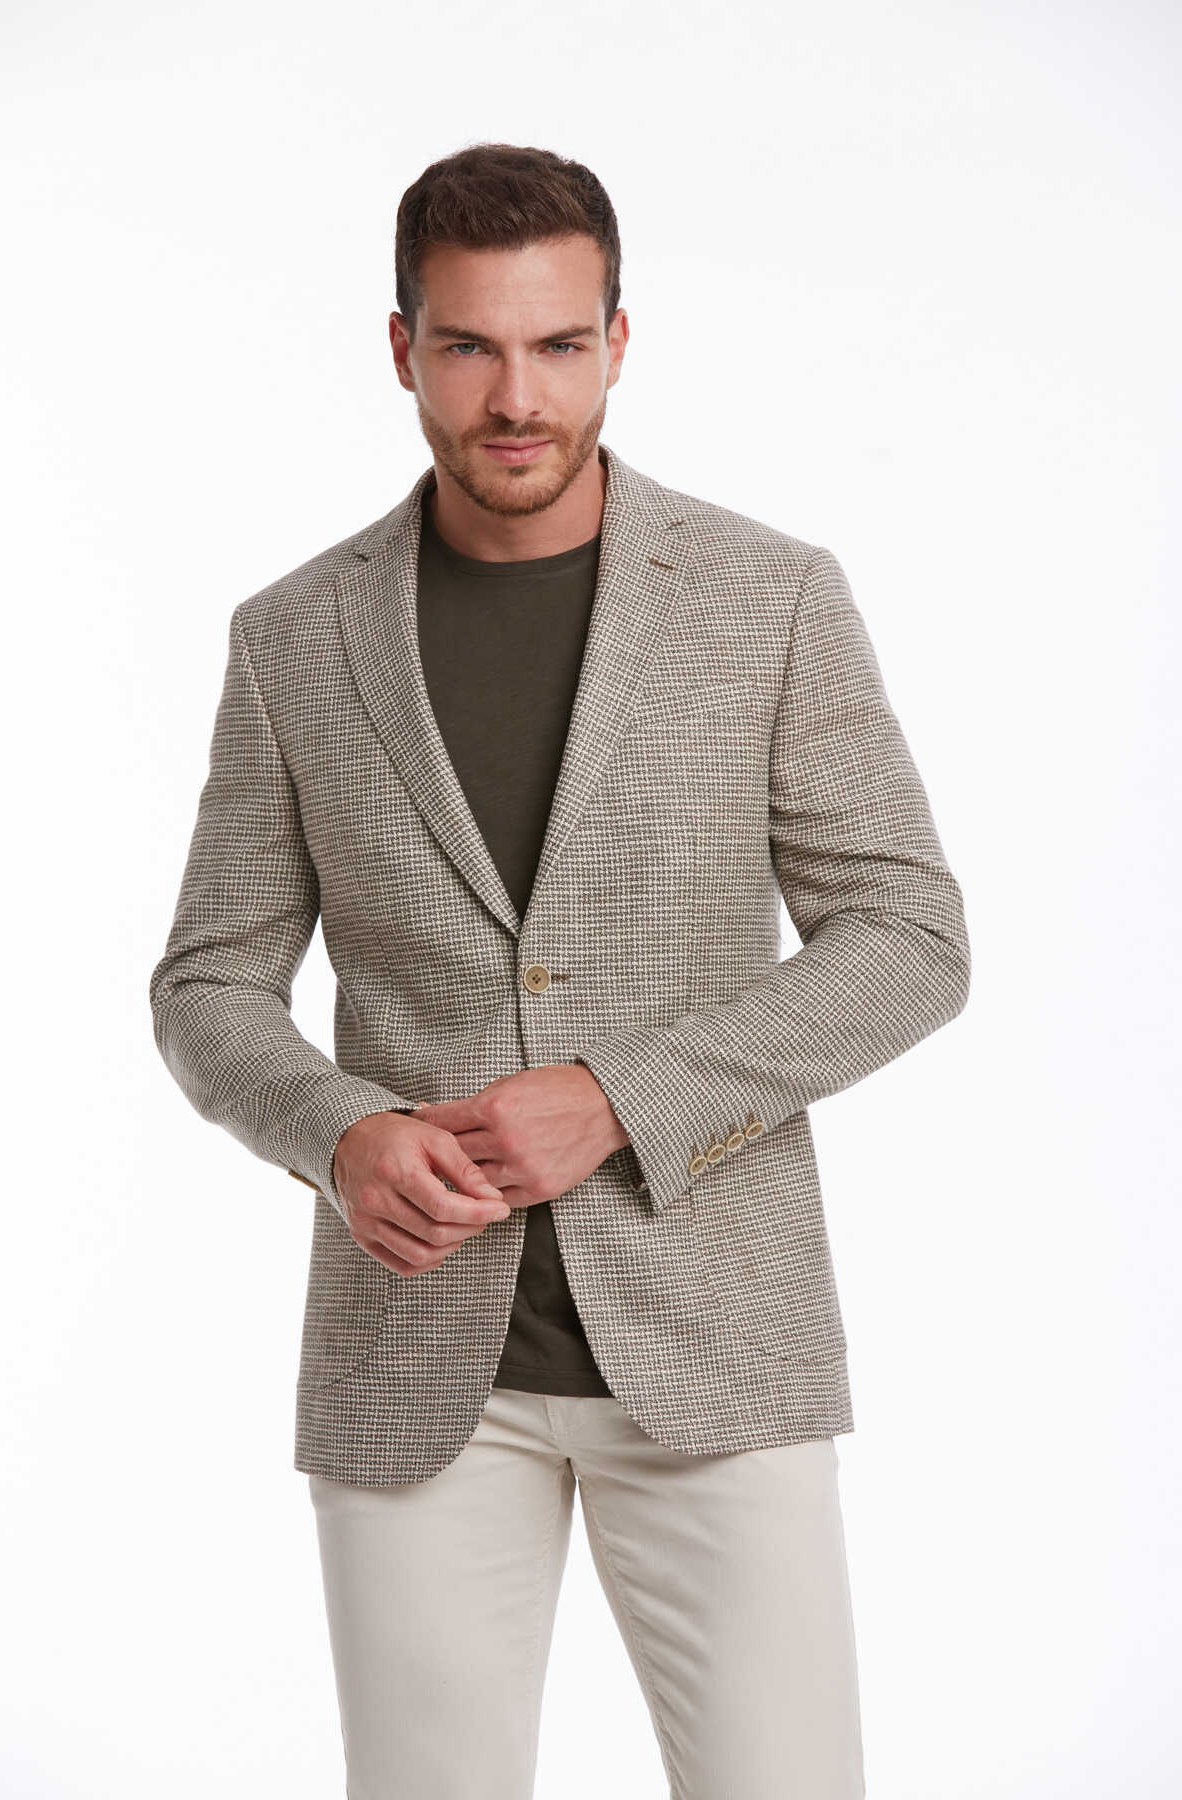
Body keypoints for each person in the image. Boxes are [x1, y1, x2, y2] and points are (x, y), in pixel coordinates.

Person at [149, 140, 970, 1799]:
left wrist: (619, 1098)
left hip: (717, 1343)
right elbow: (209, 982)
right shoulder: (294, 636)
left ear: (617, 341)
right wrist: (341, 1132)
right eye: (469, 346)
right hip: (413, 1360)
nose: (515, 397)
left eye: (557, 344)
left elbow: (909, 935)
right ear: (404, 348)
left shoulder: (766, 598)